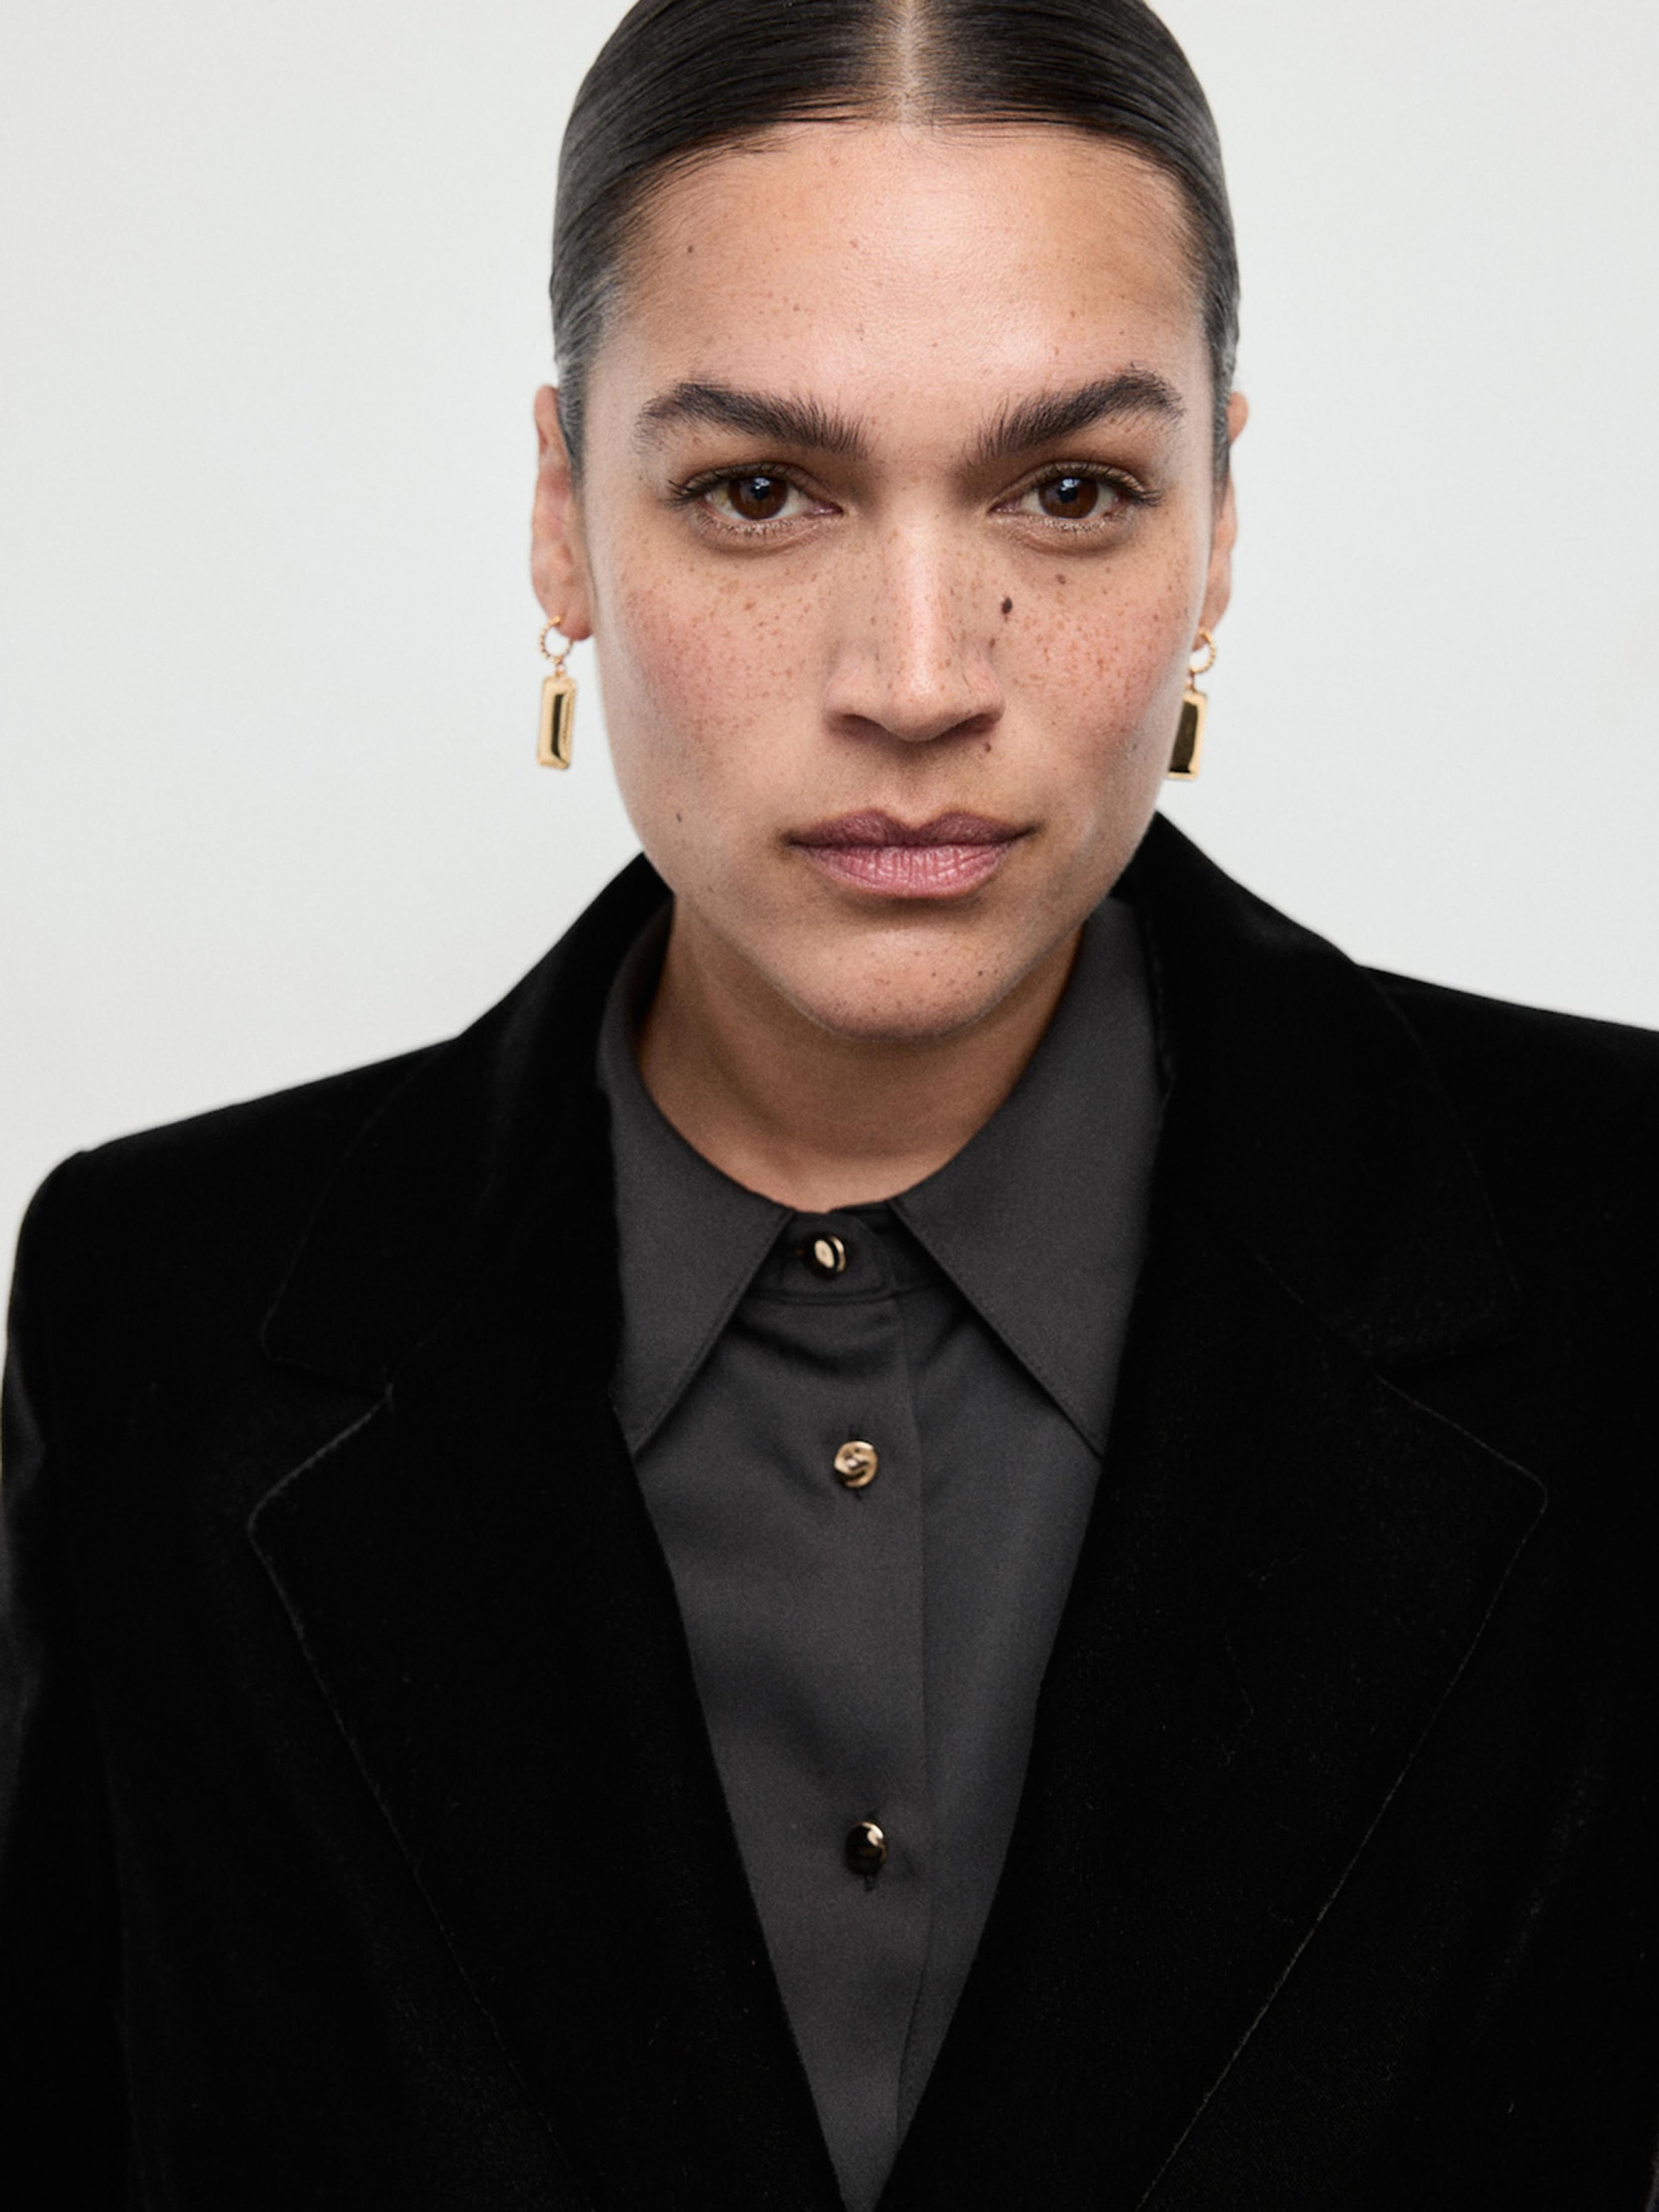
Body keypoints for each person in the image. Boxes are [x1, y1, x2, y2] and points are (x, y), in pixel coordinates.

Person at [3, 0, 1657, 2203]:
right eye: (760, 491)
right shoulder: (155, 1319)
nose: (917, 676)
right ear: (562, 519)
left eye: (1069, 489)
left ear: (1221, 522)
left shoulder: (1628, 1249)